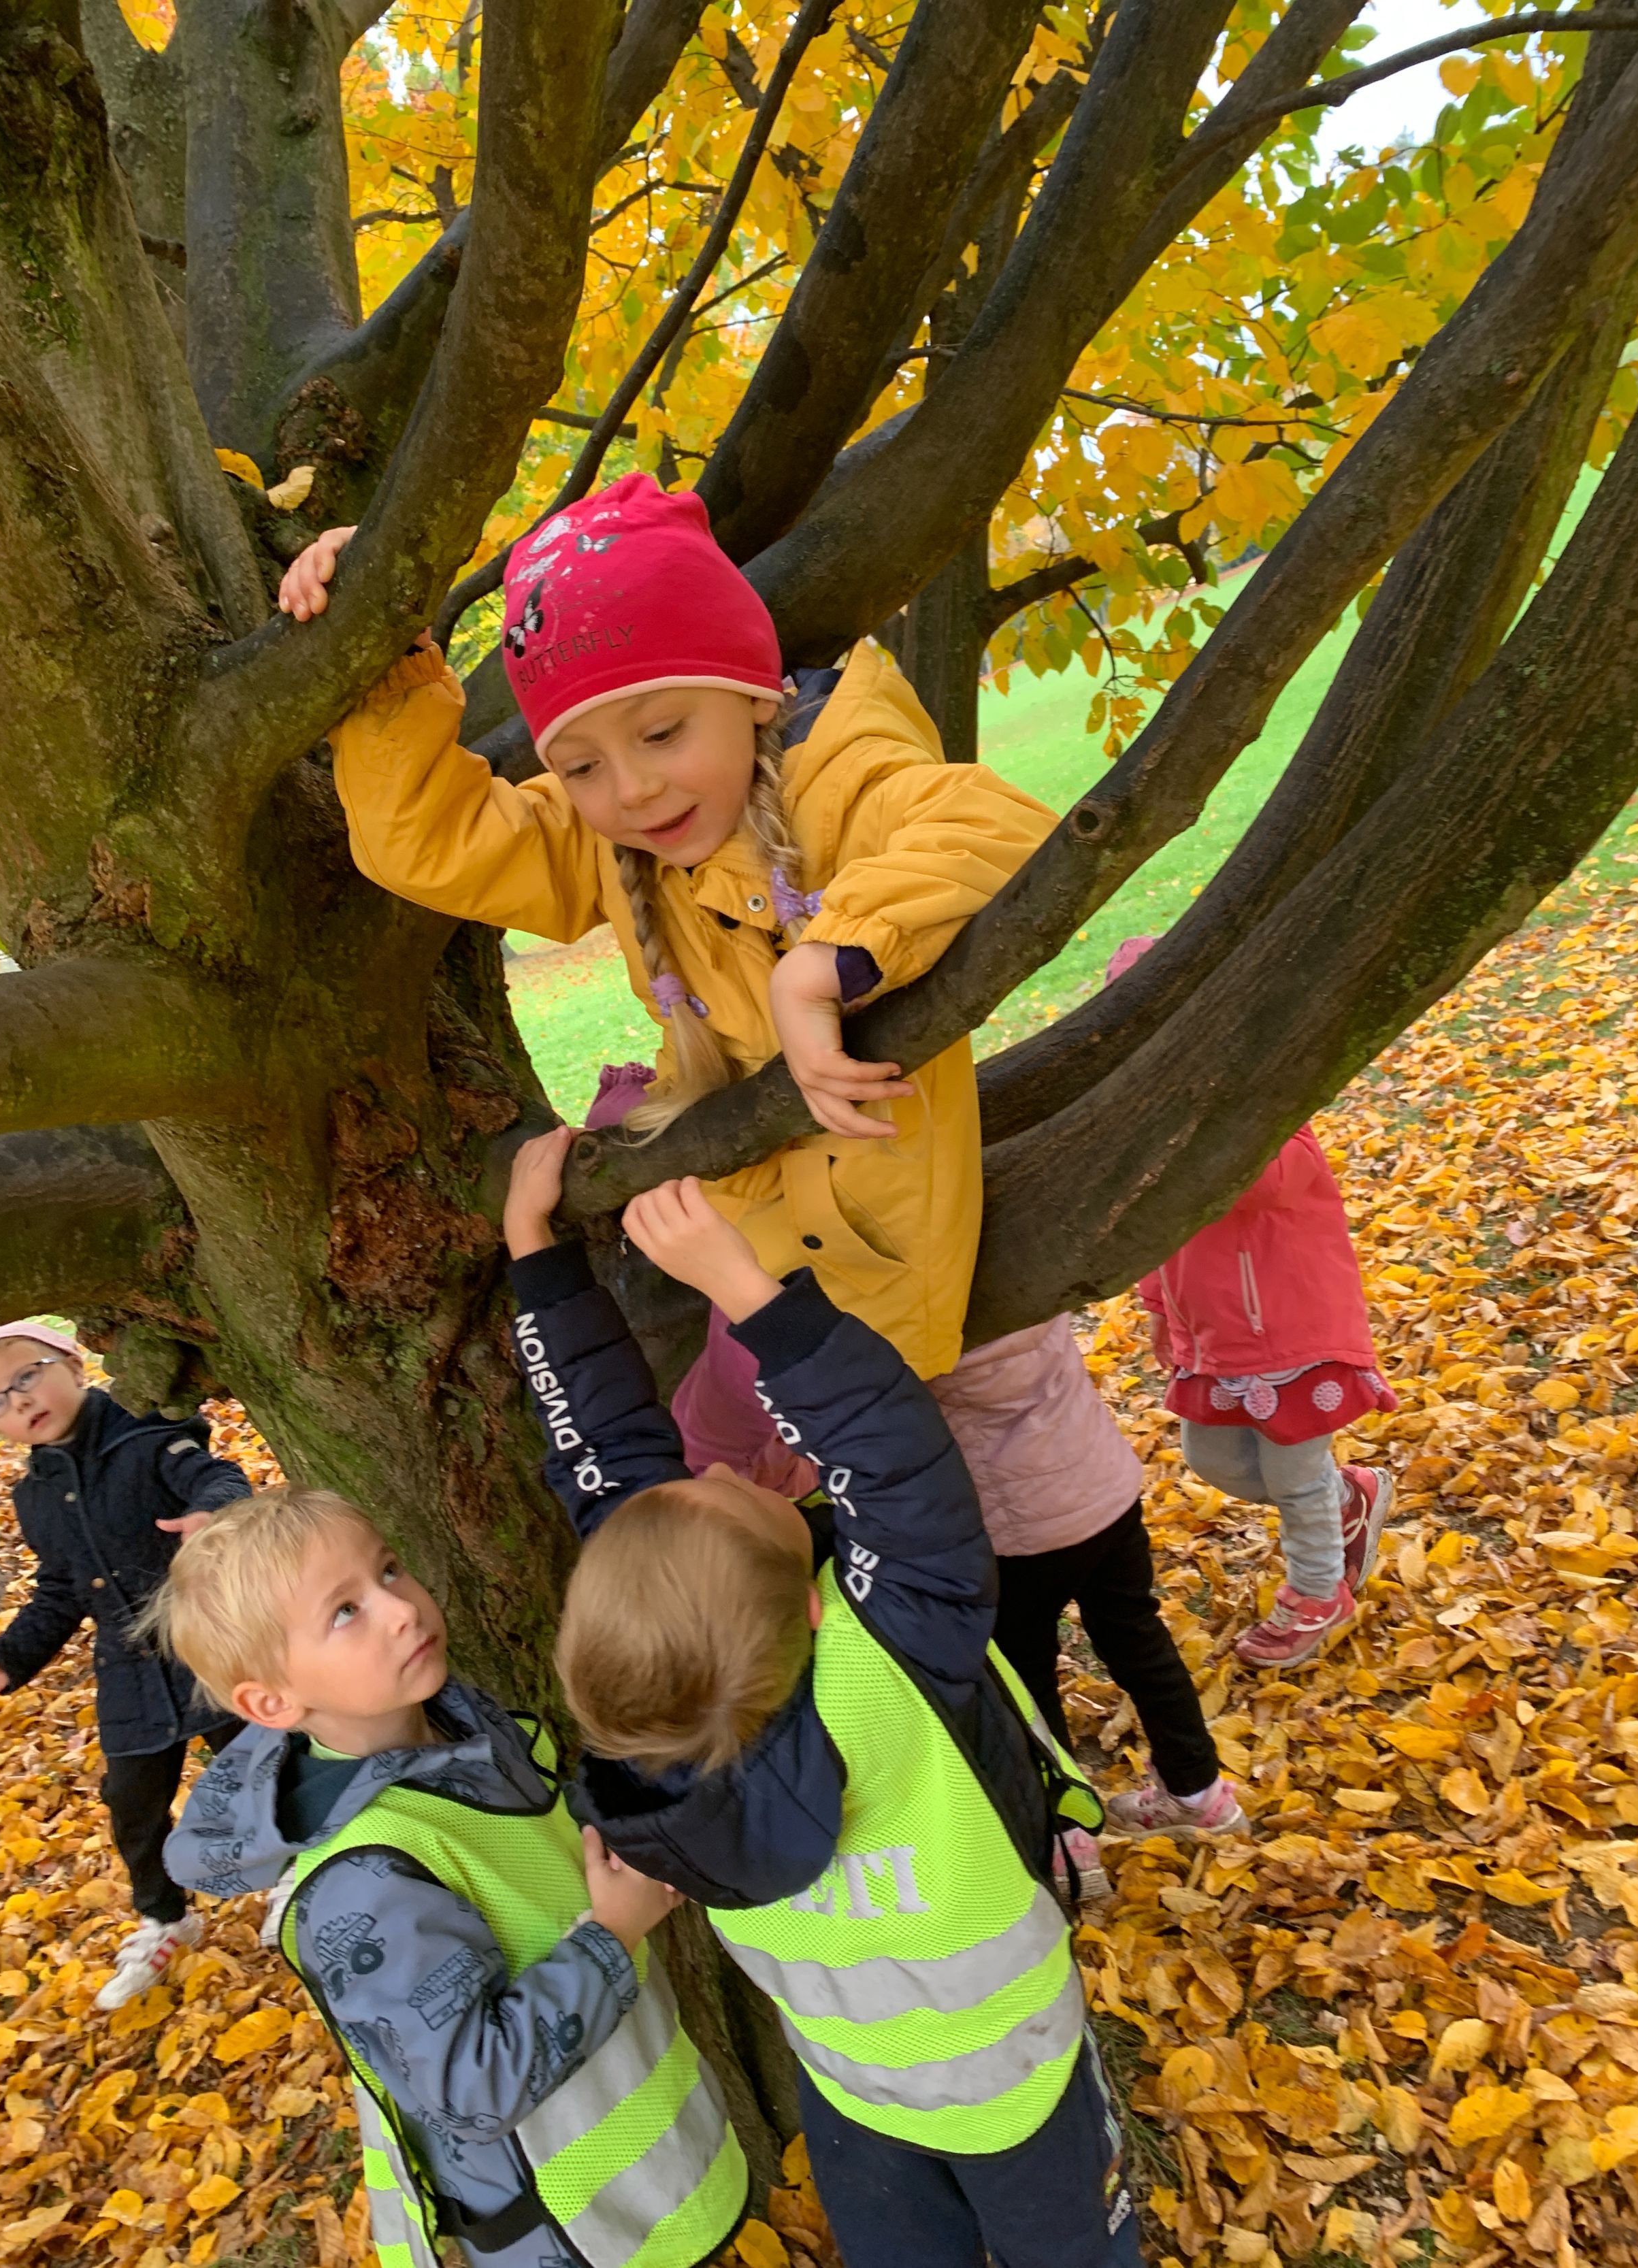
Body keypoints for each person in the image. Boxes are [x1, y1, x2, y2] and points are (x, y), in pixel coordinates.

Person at [280, 476, 1228, 1833]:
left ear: (751, 696)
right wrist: (379, 666)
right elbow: (437, 841)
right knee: (758, 1587)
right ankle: (852, 1796)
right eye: (582, 763)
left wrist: (826, 958)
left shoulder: (836, 766)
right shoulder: (615, 841)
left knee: (891, 1594)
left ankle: (989, 1802)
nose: (630, 788)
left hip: (862, 1294)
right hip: (758, 1277)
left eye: (664, 731)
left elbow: (990, 823)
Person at [502, 1130, 1143, 2268]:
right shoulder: (890, 1660)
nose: (714, 1469)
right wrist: (745, 1285)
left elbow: (603, 1458)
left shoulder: (653, 1729)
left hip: (854, 2086)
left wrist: (534, 1253)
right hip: (1021, 2078)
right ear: (809, 1608)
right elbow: (894, 1460)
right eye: (735, 1494)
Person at [152, 1488, 747, 2268]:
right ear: (271, 1700)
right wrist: (614, 1933)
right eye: (345, 1612)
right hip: (582, 2235)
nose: (401, 1609)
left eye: (388, 1571)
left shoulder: (466, 1732)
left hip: (660, 2166)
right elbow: (472, 2086)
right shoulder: (365, 1882)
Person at [1110, 935, 1397, 1670]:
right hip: (1214, 1336)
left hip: (1292, 1330)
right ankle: (1347, 1498)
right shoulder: (1148, 1126)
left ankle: (1318, 1590)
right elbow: (1154, 1231)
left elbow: (1272, 1181)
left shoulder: (1266, 1101)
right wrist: (1160, 1310)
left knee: (1294, 1477)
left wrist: (1200, 1120)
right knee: (1214, 1460)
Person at [0, 1322, 250, 2009]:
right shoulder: (35, 1497)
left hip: (207, 1644)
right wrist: (1, 1665)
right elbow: (59, 1593)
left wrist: (210, 1515)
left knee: (258, 1764)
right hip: (129, 1673)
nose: (19, 1402)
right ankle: (165, 1916)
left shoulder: (147, 1436)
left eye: (27, 1376)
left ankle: (307, 1867)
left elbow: (219, 1476)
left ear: (72, 1362)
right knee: (131, 1801)